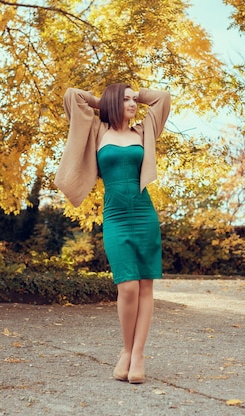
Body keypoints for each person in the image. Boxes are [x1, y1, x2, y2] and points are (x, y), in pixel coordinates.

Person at [55, 83, 171, 384]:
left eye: (135, 100)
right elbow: (72, 96)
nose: (133, 104)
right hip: (116, 217)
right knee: (127, 287)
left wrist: (135, 94)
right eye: (126, 99)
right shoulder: (97, 130)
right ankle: (125, 349)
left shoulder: (145, 131)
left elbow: (162, 98)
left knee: (146, 287)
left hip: (144, 215)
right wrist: (104, 101)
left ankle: (138, 355)